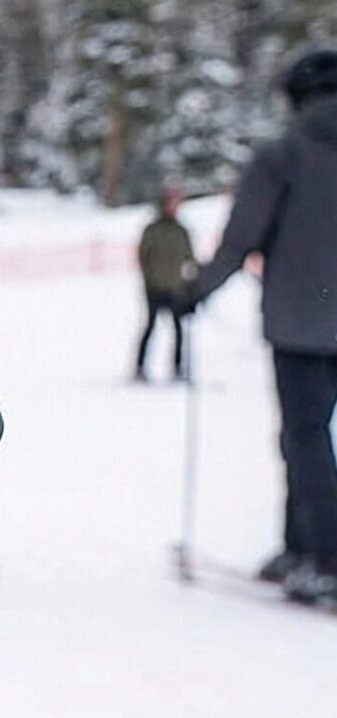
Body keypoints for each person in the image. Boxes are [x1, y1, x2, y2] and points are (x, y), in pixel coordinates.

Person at [185, 46, 337, 608]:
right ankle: (304, 547)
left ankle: (322, 558)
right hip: (308, 320)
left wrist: (195, 290)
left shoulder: (284, 154)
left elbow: (241, 237)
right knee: (309, 440)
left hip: (302, 324)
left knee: (305, 438)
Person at [135, 188, 196, 382]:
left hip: (176, 288)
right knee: (150, 327)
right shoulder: (153, 230)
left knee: (178, 329)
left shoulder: (181, 231)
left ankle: (177, 367)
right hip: (154, 288)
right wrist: (149, 280)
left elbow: (190, 258)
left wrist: (191, 283)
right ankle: (139, 367)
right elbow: (143, 257)